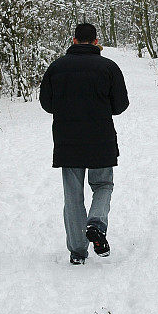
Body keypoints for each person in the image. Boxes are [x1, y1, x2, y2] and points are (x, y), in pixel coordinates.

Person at [38, 23, 129, 265]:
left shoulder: (57, 67)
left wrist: (67, 108)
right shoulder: (109, 67)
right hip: (100, 137)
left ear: (75, 40)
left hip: (68, 139)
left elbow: (46, 103)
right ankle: (96, 223)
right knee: (102, 185)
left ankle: (78, 252)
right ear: (96, 41)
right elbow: (120, 106)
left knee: (73, 195)